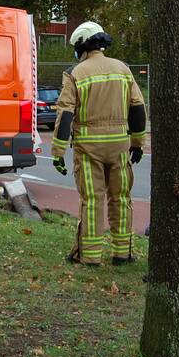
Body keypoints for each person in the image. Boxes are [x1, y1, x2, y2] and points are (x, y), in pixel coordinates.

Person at [52, 21, 146, 265]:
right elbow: (137, 107)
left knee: (92, 200)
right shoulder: (123, 69)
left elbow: (66, 115)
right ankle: (122, 253)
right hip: (120, 147)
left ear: (82, 45)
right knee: (121, 198)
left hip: (88, 148)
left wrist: (58, 151)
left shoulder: (76, 73)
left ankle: (91, 256)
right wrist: (137, 143)